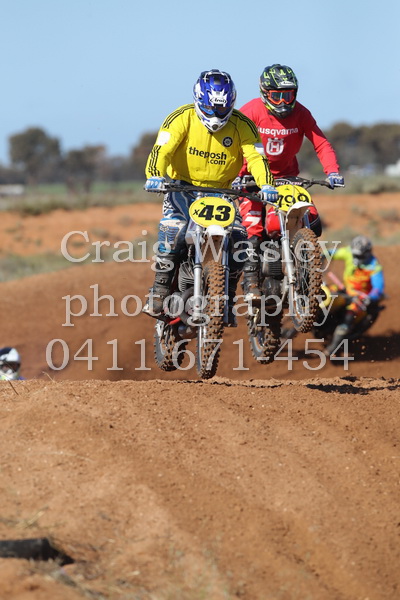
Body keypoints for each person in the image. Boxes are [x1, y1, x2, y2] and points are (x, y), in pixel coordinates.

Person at [142, 69, 277, 323]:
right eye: (210, 107)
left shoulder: (243, 124)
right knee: (174, 230)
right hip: (182, 188)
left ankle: (226, 297)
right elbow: (162, 150)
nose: (215, 114)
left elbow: (257, 158)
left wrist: (267, 185)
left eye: (222, 108)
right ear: (198, 100)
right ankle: (159, 290)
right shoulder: (180, 117)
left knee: (239, 239)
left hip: (222, 192)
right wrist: (155, 175)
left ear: (231, 102)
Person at [235, 64, 345, 299]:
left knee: (311, 220)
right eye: (277, 96)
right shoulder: (250, 111)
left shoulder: (302, 113)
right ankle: (251, 283)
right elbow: (234, 143)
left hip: (287, 178)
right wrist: (236, 175)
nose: (284, 102)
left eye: (289, 95)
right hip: (251, 179)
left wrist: (333, 172)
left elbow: (321, 143)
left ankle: (308, 278)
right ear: (265, 93)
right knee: (253, 226)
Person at [323, 235, 385, 356]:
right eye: (354, 255)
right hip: (344, 289)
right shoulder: (348, 252)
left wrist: (370, 298)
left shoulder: (374, 266)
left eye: (359, 256)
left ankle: (332, 348)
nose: (356, 258)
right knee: (324, 293)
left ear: (367, 253)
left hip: (360, 297)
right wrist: (320, 255)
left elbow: (378, 289)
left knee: (349, 316)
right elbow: (332, 253)